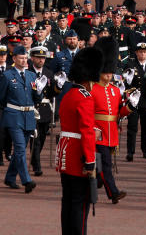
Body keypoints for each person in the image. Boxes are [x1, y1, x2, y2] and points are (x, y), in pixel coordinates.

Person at [56, 45, 102, 235]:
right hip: (78, 155)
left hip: (66, 152)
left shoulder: (68, 94)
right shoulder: (85, 97)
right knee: (80, 204)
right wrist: (90, 161)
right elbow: (86, 132)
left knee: (68, 200)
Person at [0, 44, 42, 193]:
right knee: (21, 148)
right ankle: (26, 180)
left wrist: (40, 90)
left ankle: (10, 177)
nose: (24, 60)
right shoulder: (8, 76)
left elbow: (36, 97)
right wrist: (10, 109)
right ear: (14, 58)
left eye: (25, 58)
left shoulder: (31, 75)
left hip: (28, 116)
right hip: (14, 116)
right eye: (21, 58)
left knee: (19, 152)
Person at [91, 37, 133, 203]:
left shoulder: (116, 91)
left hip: (112, 132)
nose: (109, 76)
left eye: (110, 73)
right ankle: (113, 192)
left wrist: (130, 106)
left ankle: (100, 182)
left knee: (102, 164)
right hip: (98, 132)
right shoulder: (92, 88)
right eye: (106, 73)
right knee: (106, 164)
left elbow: (119, 113)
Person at [28, 45, 58, 177]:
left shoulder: (48, 73)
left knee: (42, 137)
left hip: (45, 109)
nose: (41, 60)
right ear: (32, 58)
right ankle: (37, 166)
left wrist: (59, 87)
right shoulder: (28, 72)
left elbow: (52, 93)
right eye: (38, 58)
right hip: (32, 108)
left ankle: (35, 160)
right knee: (35, 138)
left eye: (43, 58)